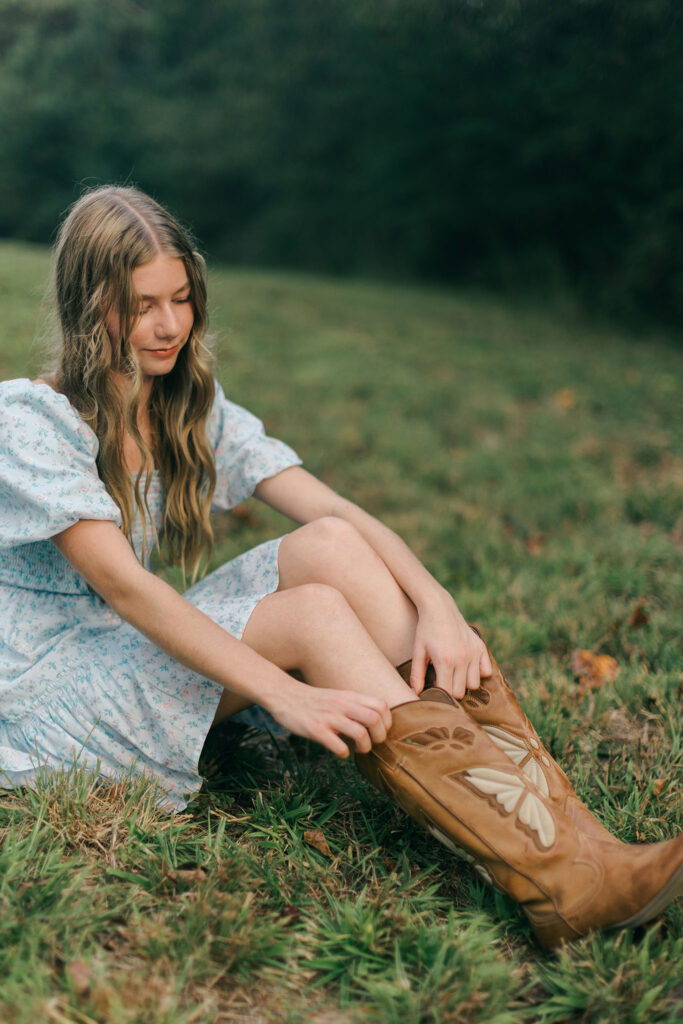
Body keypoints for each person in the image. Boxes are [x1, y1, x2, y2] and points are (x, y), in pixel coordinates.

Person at [0, 186, 680, 952]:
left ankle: (583, 852)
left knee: (327, 546)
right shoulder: (28, 422)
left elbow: (338, 513)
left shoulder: (182, 402)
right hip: (51, 699)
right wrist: (283, 691)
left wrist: (438, 605)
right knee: (314, 612)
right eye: (143, 304)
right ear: (89, 307)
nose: (169, 326)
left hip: (120, 652)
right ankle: (557, 881)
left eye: (183, 299)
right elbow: (126, 588)